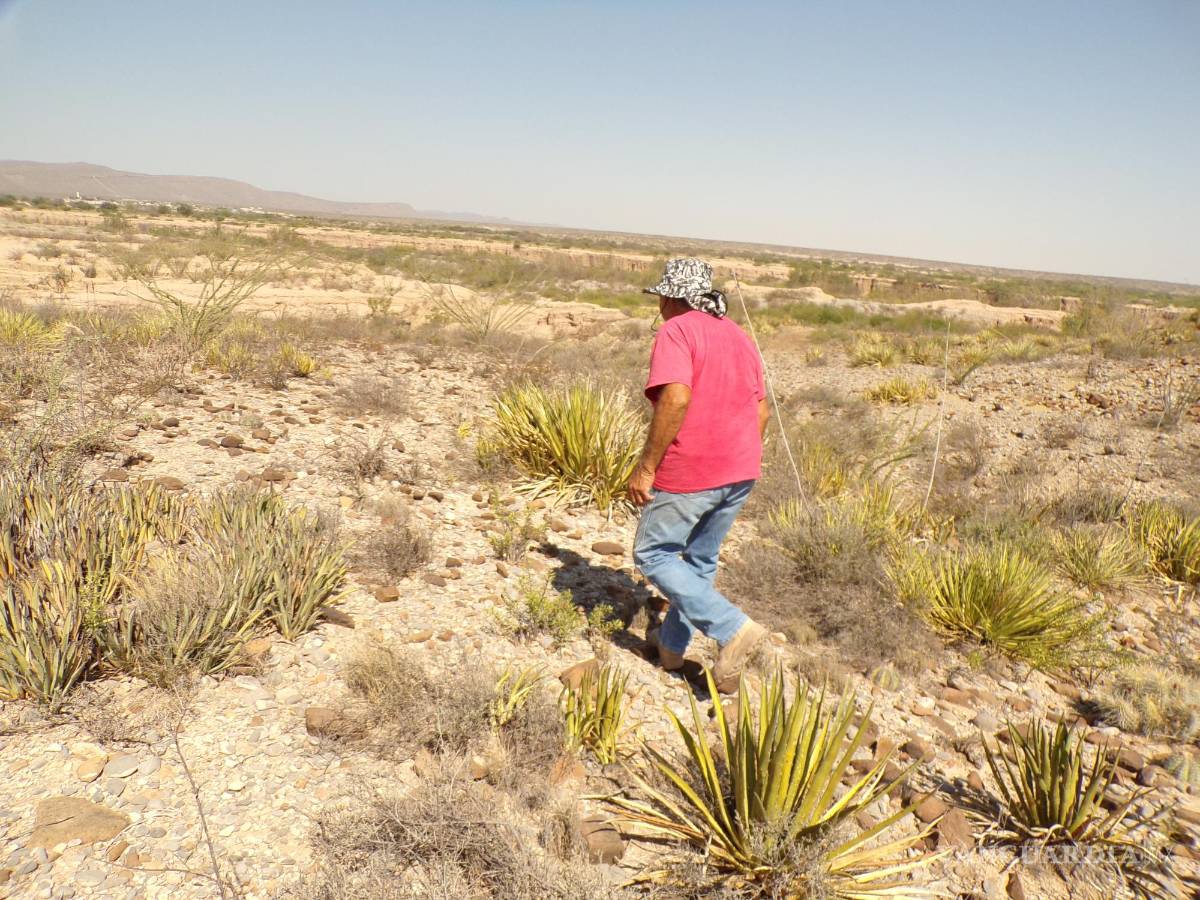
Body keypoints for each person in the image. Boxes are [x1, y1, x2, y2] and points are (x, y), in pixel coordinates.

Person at [629, 257, 770, 694]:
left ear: (672, 298)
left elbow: (675, 398)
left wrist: (647, 466)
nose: (659, 306)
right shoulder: (739, 336)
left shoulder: (677, 331)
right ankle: (672, 649)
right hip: (741, 469)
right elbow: (762, 411)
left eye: (661, 298)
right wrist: (737, 456)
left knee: (653, 554)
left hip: (693, 469)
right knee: (699, 561)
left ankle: (732, 628)